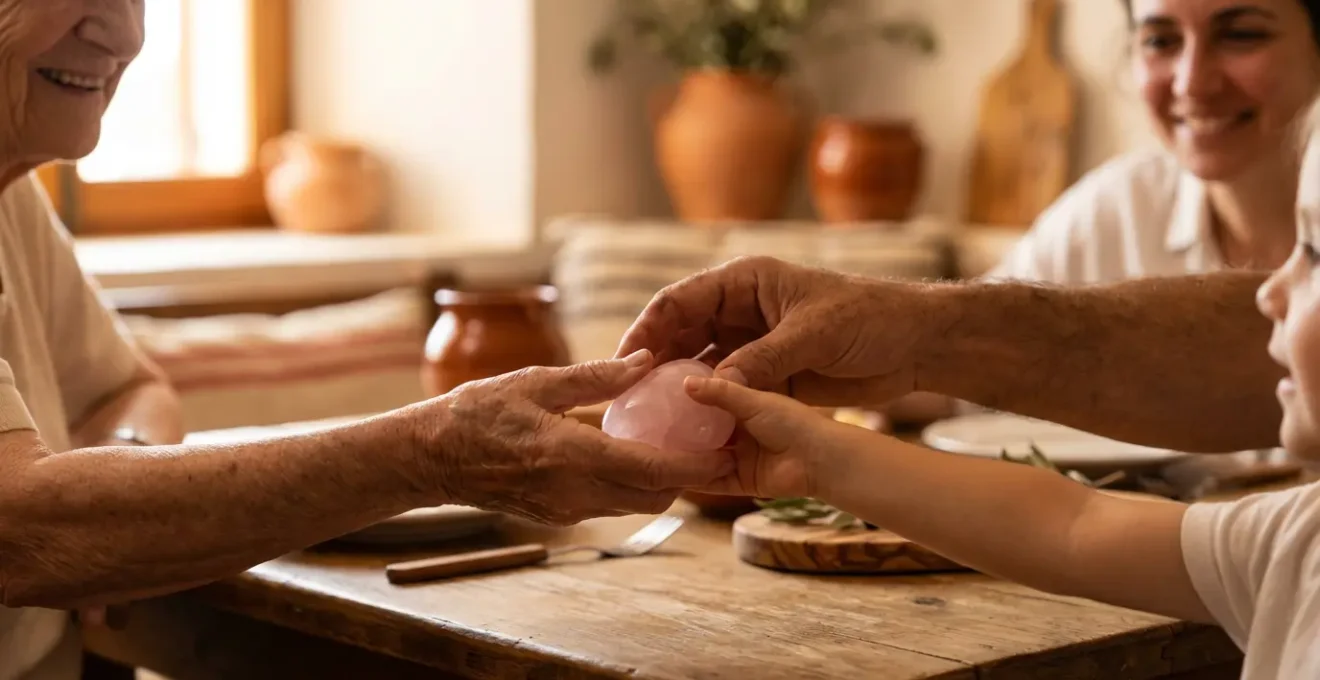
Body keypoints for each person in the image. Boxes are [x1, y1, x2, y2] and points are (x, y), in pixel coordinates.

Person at [0, 3, 732, 679]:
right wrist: (434, 454)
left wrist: (119, 496)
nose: (125, 34)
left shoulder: (14, 196)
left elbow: (130, 391)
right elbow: (17, 528)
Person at [615, 102, 1320, 680]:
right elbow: (1069, 526)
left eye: (1315, 253)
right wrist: (817, 461)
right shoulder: (1298, 542)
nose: (1268, 293)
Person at [890, 0, 1320, 425]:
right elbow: (961, 367)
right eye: (1160, 40)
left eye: (1241, 35)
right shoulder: (1117, 207)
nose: (1192, 82)